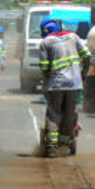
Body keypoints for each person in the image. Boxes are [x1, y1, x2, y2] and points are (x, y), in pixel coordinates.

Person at [38, 17, 89, 157]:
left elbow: (44, 68)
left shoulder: (45, 43)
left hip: (56, 85)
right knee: (69, 115)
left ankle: (51, 148)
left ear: (43, 31)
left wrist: (48, 80)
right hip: (74, 84)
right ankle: (64, 145)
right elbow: (87, 56)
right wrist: (83, 74)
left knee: (54, 114)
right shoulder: (73, 37)